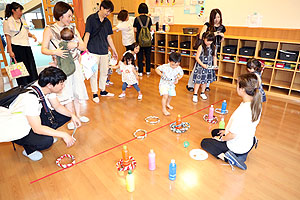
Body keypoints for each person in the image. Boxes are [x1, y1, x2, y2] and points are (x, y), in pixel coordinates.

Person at [12, 67, 80, 161]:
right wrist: (63, 134)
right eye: (61, 83)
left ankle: (46, 133)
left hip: (33, 119)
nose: (63, 85)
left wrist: (72, 115)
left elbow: (57, 106)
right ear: (50, 85)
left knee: (66, 115)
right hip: (19, 128)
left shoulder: (45, 88)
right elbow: (37, 128)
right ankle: (29, 150)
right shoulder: (30, 99)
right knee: (46, 141)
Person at [41, 1, 89, 130]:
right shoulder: (49, 30)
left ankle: (78, 115)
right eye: (68, 16)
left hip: (75, 65)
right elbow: (43, 49)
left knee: (77, 90)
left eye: (71, 16)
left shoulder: (73, 28)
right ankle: (72, 117)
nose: (70, 19)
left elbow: (84, 46)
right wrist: (55, 52)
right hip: (60, 67)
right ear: (60, 15)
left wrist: (77, 45)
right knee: (67, 93)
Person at [201, 73, 262, 170]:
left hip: (236, 146)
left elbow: (233, 135)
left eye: (237, 85)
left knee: (205, 143)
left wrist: (221, 138)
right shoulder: (255, 103)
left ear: (242, 89)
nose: (236, 87)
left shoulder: (243, 111)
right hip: (247, 142)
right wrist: (225, 131)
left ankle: (230, 158)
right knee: (215, 132)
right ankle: (243, 153)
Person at [84, 0, 118, 103]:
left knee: (104, 72)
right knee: (93, 73)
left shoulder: (107, 22)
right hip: (93, 50)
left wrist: (114, 50)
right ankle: (95, 93)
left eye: (110, 12)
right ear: (101, 8)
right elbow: (87, 34)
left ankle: (103, 90)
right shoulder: (91, 18)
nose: (108, 14)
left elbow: (109, 38)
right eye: (107, 11)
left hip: (104, 50)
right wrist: (84, 47)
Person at [187, 8, 226, 92]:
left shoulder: (222, 27)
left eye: (218, 17)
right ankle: (191, 85)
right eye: (215, 17)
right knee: (198, 67)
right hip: (204, 48)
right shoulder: (207, 25)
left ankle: (206, 85)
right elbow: (201, 36)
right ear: (211, 18)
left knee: (210, 67)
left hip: (214, 48)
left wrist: (222, 36)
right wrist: (213, 34)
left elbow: (221, 41)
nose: (217, 19)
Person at [3, 2, 38, 86]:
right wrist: (10, 51)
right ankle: (23, 87)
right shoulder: (7, 22)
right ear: (13, 10)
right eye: (19, 10)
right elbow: (8, 37)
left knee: (31, 67)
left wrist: (32, 36)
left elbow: (25, 32)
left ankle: (33, 85)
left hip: (26, 46)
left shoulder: (23, 20)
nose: (21, 12)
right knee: (21, 70)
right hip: (17, 47)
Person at [192, 32, 217, 102]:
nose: (209, 42)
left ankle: (202, 92)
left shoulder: (213, 47)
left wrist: (215, 65)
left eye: (211, 41)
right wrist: (203, 65)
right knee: (198, 81)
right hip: (200, 67)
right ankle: (195, 94)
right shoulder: (201, 47)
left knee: (205, 80)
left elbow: (214, 57)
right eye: (208, 40)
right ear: (203, 39)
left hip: (208, 67)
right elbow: (197, 58)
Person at [133, 3, 152, 76]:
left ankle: (140, 71)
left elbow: (135, 30)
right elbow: (150, 29)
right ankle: (148, 71)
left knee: (140, 56)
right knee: (148, 56)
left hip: (139, 41)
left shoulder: (136, 19)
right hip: (147, 41)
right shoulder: (149, 19)